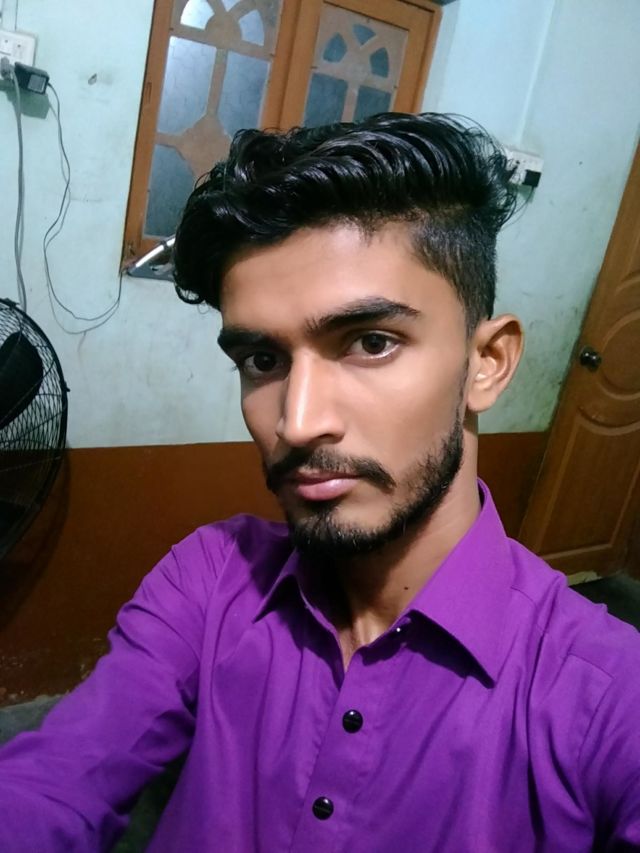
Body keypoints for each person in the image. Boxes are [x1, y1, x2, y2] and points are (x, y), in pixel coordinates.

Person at [0, 113, 638, 852]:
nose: (297, 423)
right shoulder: (210, 580)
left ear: (487, 364)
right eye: (262, 361)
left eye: (371, 341)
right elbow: (58, 776)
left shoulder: (605, 693)